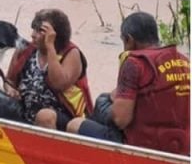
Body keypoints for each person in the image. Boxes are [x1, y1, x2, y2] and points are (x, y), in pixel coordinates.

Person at [66, 11, 190, 154]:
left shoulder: (135, 63)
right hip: (182, 146)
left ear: (129, 40)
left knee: (77, 123)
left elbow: (120, 119)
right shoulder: (183, 61)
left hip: (141, 146)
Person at [0, 9, 92, 130]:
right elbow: (10, 80)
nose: (33, 35)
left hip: (63, 118)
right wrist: (10, 90)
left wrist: (50, 47)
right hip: (26, 109)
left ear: (55, 35)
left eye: (40, 31)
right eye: (33, 29)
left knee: (44, 116)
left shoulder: (71, 53)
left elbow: (58, 83)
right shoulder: (25, 50)